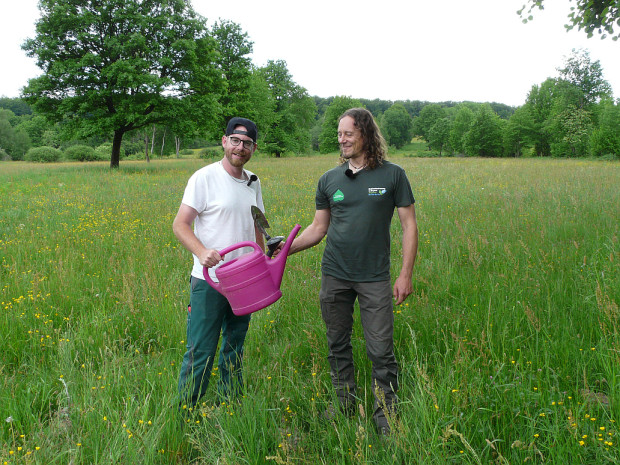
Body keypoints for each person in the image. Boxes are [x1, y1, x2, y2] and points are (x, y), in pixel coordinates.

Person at [288, 108, 418, 435]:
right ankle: (344, 403)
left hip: (374, 277)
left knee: (380, 349)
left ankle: (385, 413)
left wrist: (405, 274)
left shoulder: (393, 175)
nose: (342, 140)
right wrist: (284, 250)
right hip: (335, 275)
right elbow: (319, 229)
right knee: (337, 343)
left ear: (366, 134)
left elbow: (408, 225)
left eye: (348, 133)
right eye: (339, 134)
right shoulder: (329, 180)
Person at [173, 117, 265, 413]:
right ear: (224, 142)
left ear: (253, 148)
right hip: (209, 281)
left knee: (234, 349)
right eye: (235, 141)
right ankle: (187, 413)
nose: (240, 147)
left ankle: (230, 406)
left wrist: (263, 267)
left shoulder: (253, 181)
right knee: (200, 351)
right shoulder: (204, 177)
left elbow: (257, 226)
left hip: (245, 281)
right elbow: (180, 225)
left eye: (247, 143)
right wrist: (201, 252)